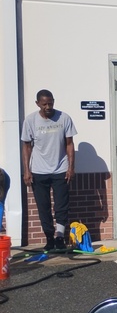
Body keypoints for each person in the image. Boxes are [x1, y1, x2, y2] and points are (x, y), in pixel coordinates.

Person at [21, 89, 77, 252]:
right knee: (43, 206)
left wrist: (71, 168)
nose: (48, 106)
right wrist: (27, 170)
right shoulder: (30, 120)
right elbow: (26, 146)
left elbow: (69, 144)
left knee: (61, 206)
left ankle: (59, 237)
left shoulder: (64, 118)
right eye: (44, 104)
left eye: (50, 103)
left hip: (60, 169)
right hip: (39, 171)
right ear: (38, 103)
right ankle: (49, 238)